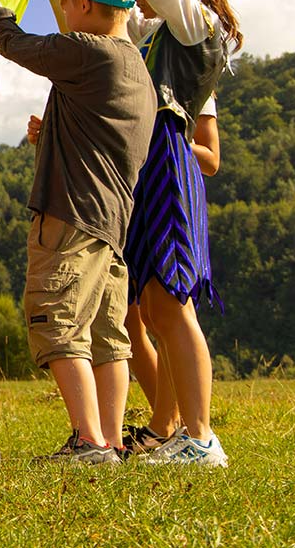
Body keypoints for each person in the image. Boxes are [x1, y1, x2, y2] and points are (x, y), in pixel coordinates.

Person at [51, 0, 242, 466]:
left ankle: (201, 436)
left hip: (169, 159)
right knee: (154, 305)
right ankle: (179, 430)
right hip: (141, 160)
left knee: (173, 303)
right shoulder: (151, 32)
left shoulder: (194, 23)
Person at [0, 0, 157, 463]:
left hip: (72, 213)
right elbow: (101, 140)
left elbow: (13, 43)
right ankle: (111, 440)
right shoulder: (134, 67)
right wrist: (51, 134)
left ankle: (88, 440)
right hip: (111, 222)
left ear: (81, 1)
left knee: (58, 321)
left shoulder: (90, 51)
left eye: (64, 0)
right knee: (106, 336)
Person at [123, 97, 219, 453]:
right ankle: (165, 425)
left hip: (171, 180)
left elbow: (211, 157)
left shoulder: (185, 63)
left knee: (174, 307)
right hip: (140, 185)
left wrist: (164, 139)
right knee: (151, 312)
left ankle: (199, 437)